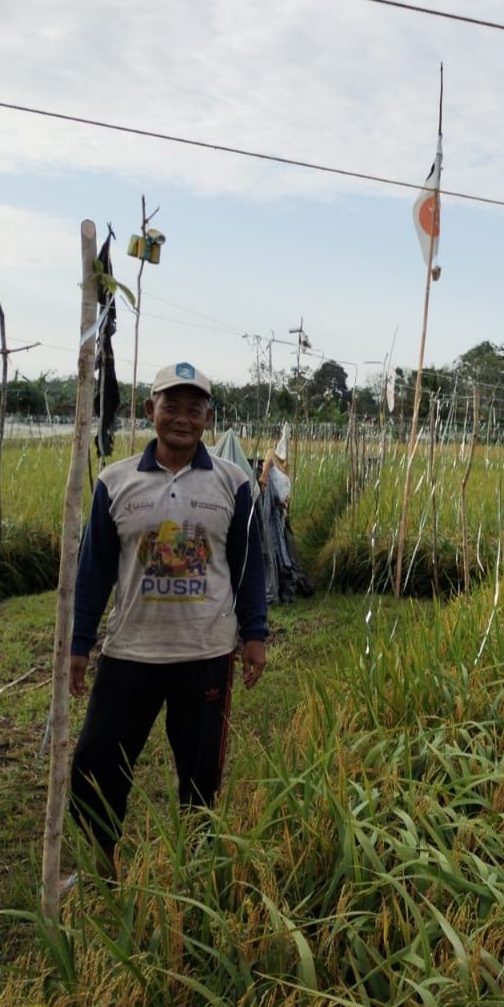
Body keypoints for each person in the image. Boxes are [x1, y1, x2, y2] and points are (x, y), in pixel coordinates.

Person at [67, 362, 268, 879]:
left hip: (205, 653)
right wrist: (79, 642)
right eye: (170, 405)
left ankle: (198, 865)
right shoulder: (116, 481)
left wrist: (255, 634)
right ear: (150, 410)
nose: (182, 417)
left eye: (193, 408)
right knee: (94, 764)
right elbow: (93, 571)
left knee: (201, 774)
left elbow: (248, 567)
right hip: (130, 650)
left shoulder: (234, 482)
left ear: (207, 417)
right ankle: (101, 861)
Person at [258, 441, 313, 603]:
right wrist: (263, 480)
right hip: (273, 516)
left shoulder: (283, 468)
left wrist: (284, 505)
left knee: (282, 548)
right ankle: (282, 587)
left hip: (280, 515)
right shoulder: (270, 457)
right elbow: (264, 479)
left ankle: (286, 586)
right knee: (276, 549)